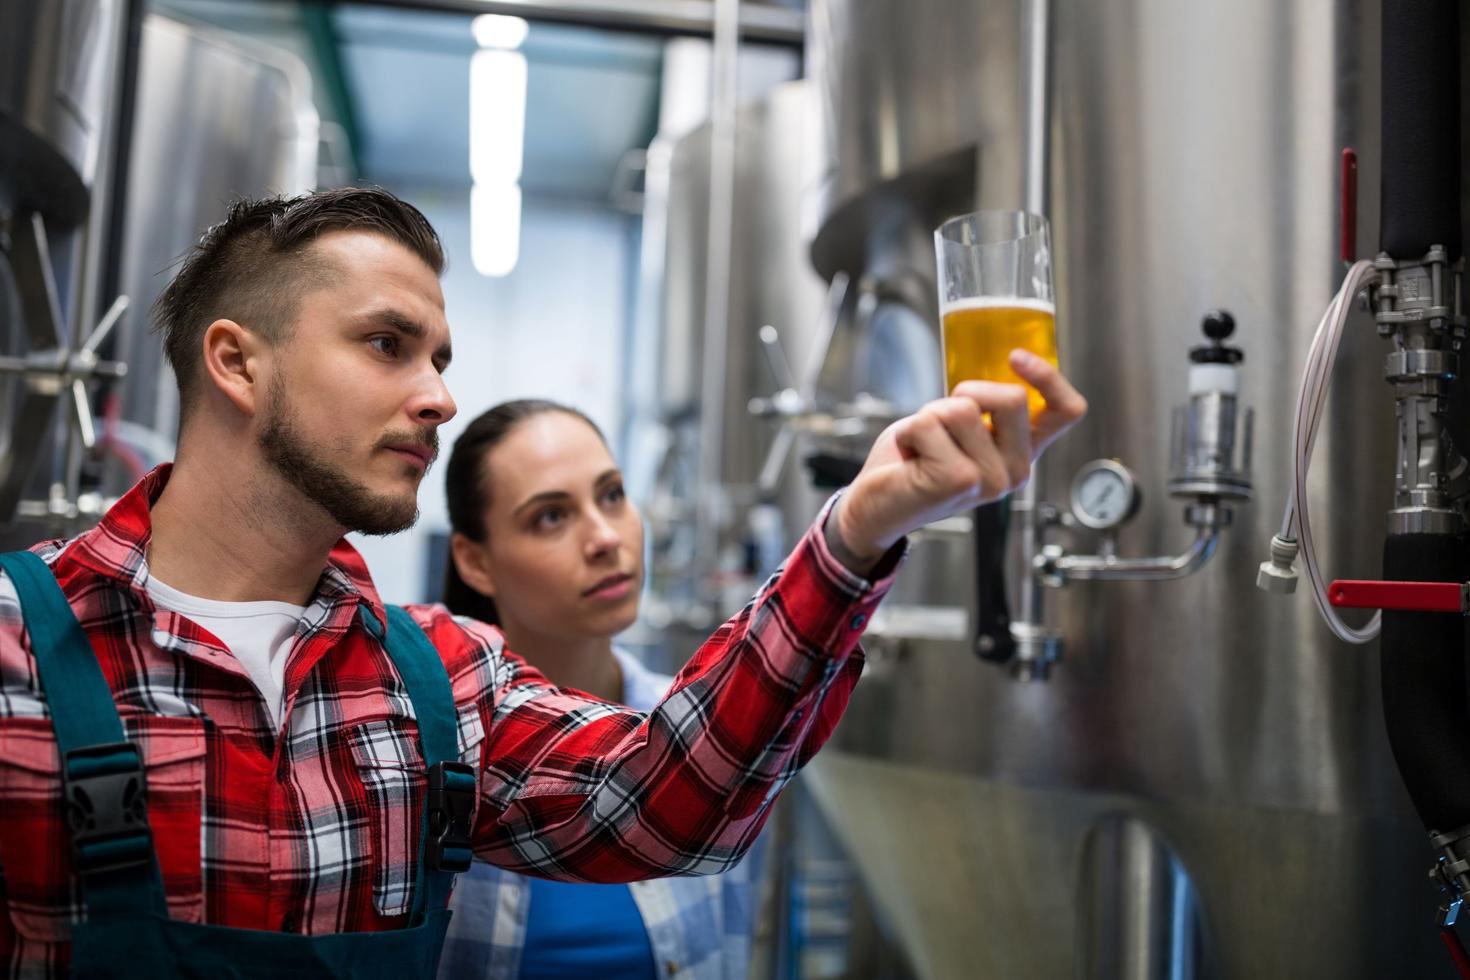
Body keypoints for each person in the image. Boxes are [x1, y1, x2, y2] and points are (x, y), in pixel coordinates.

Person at [0, 187, 1086, 978]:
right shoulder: (20, 653)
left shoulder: (437, 676)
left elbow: (667, 804)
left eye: (441, 359)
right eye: (389, 344)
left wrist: (857, 528)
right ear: (237, 362)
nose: (437, 396)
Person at [434, 399, 766, 980]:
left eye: (611, 495)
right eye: (550, 518)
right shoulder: (435, 757)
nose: (606, 538)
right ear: (474, 560)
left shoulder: (707, 732)